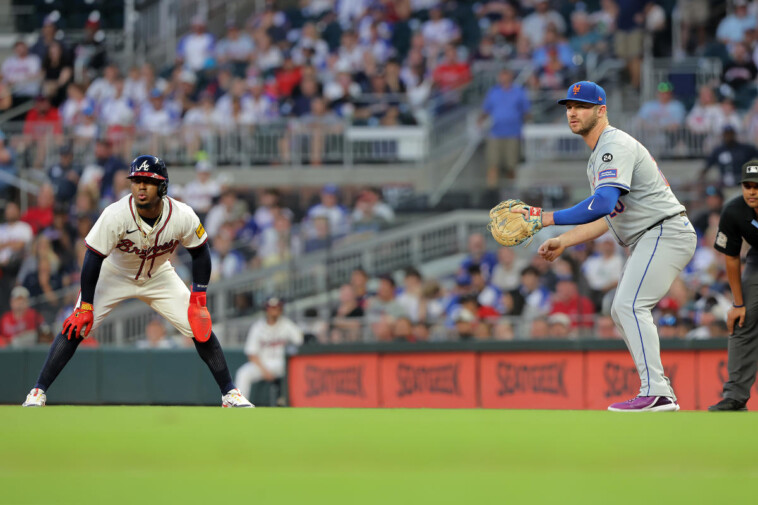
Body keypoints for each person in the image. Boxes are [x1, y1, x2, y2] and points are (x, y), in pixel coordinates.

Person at [21, 155, 253, 408]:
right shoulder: (116, 214)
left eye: (148, 181)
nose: (141, 186)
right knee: (76, 325)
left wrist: (198, 297)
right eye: (136, 180)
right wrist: (86, 304)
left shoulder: (182, 214)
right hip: (115, 273)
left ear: (162, 186)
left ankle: (229, 393)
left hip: (159, 275)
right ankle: (38, 391)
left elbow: (200, 251)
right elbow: (93, 256)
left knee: (199, 326)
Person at [533, 81, 697, 412]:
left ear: (601, 110)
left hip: (664, 231)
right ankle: (655, 389)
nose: (573, 113)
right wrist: (565, 239)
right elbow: (611, 215)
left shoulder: (613, 146)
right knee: (621, 309)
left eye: (580, 106)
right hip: (654, 234)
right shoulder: (599, 157)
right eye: (568, 107)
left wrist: (547, 218)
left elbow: (605, 204)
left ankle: (657, 391)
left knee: (628, 306)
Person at [709, 160, 758, 411]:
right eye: (747, 186)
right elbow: (731, 257)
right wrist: (738, 304)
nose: (752, 191)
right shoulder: (734, 211)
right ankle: (736, 396)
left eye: (757, 186)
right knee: (741, 320)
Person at [234, 297, 303, 402]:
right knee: (243, 373)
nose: (274, 311)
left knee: (295, 371)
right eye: (272, 308)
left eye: (277, 308)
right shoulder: (258, 327)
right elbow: (251, 354)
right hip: (263, 364)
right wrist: (265, 371)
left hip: (282, 364)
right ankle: (239, 404)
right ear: (266, 309)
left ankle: (293, 401)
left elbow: (300, 341)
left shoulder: (286, 324)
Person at [479, 68, 531, 188]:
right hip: (495, 134)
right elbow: (486, 110)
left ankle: (511, 193)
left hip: (513, 134)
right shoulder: (493, 92)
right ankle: (492, 193)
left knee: (511, 166)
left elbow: (526, 112)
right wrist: (480, 121)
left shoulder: (519, 92)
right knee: (493, 164)